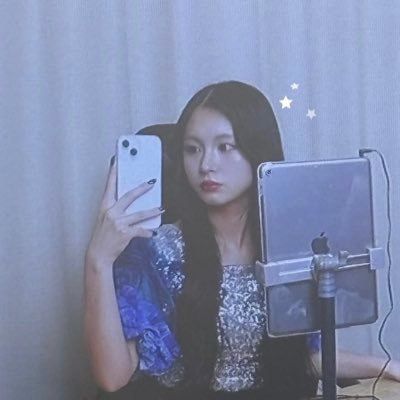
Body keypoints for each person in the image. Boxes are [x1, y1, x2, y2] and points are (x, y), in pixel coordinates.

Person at [84, 81, 400, 400]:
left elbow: (303, 357)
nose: (206, 165)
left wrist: (386, 366)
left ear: (256, 149)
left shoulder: (290, 247)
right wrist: (98, 261)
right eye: (193, 149)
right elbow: (113, 378)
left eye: (225, 147)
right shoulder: (157, 250)